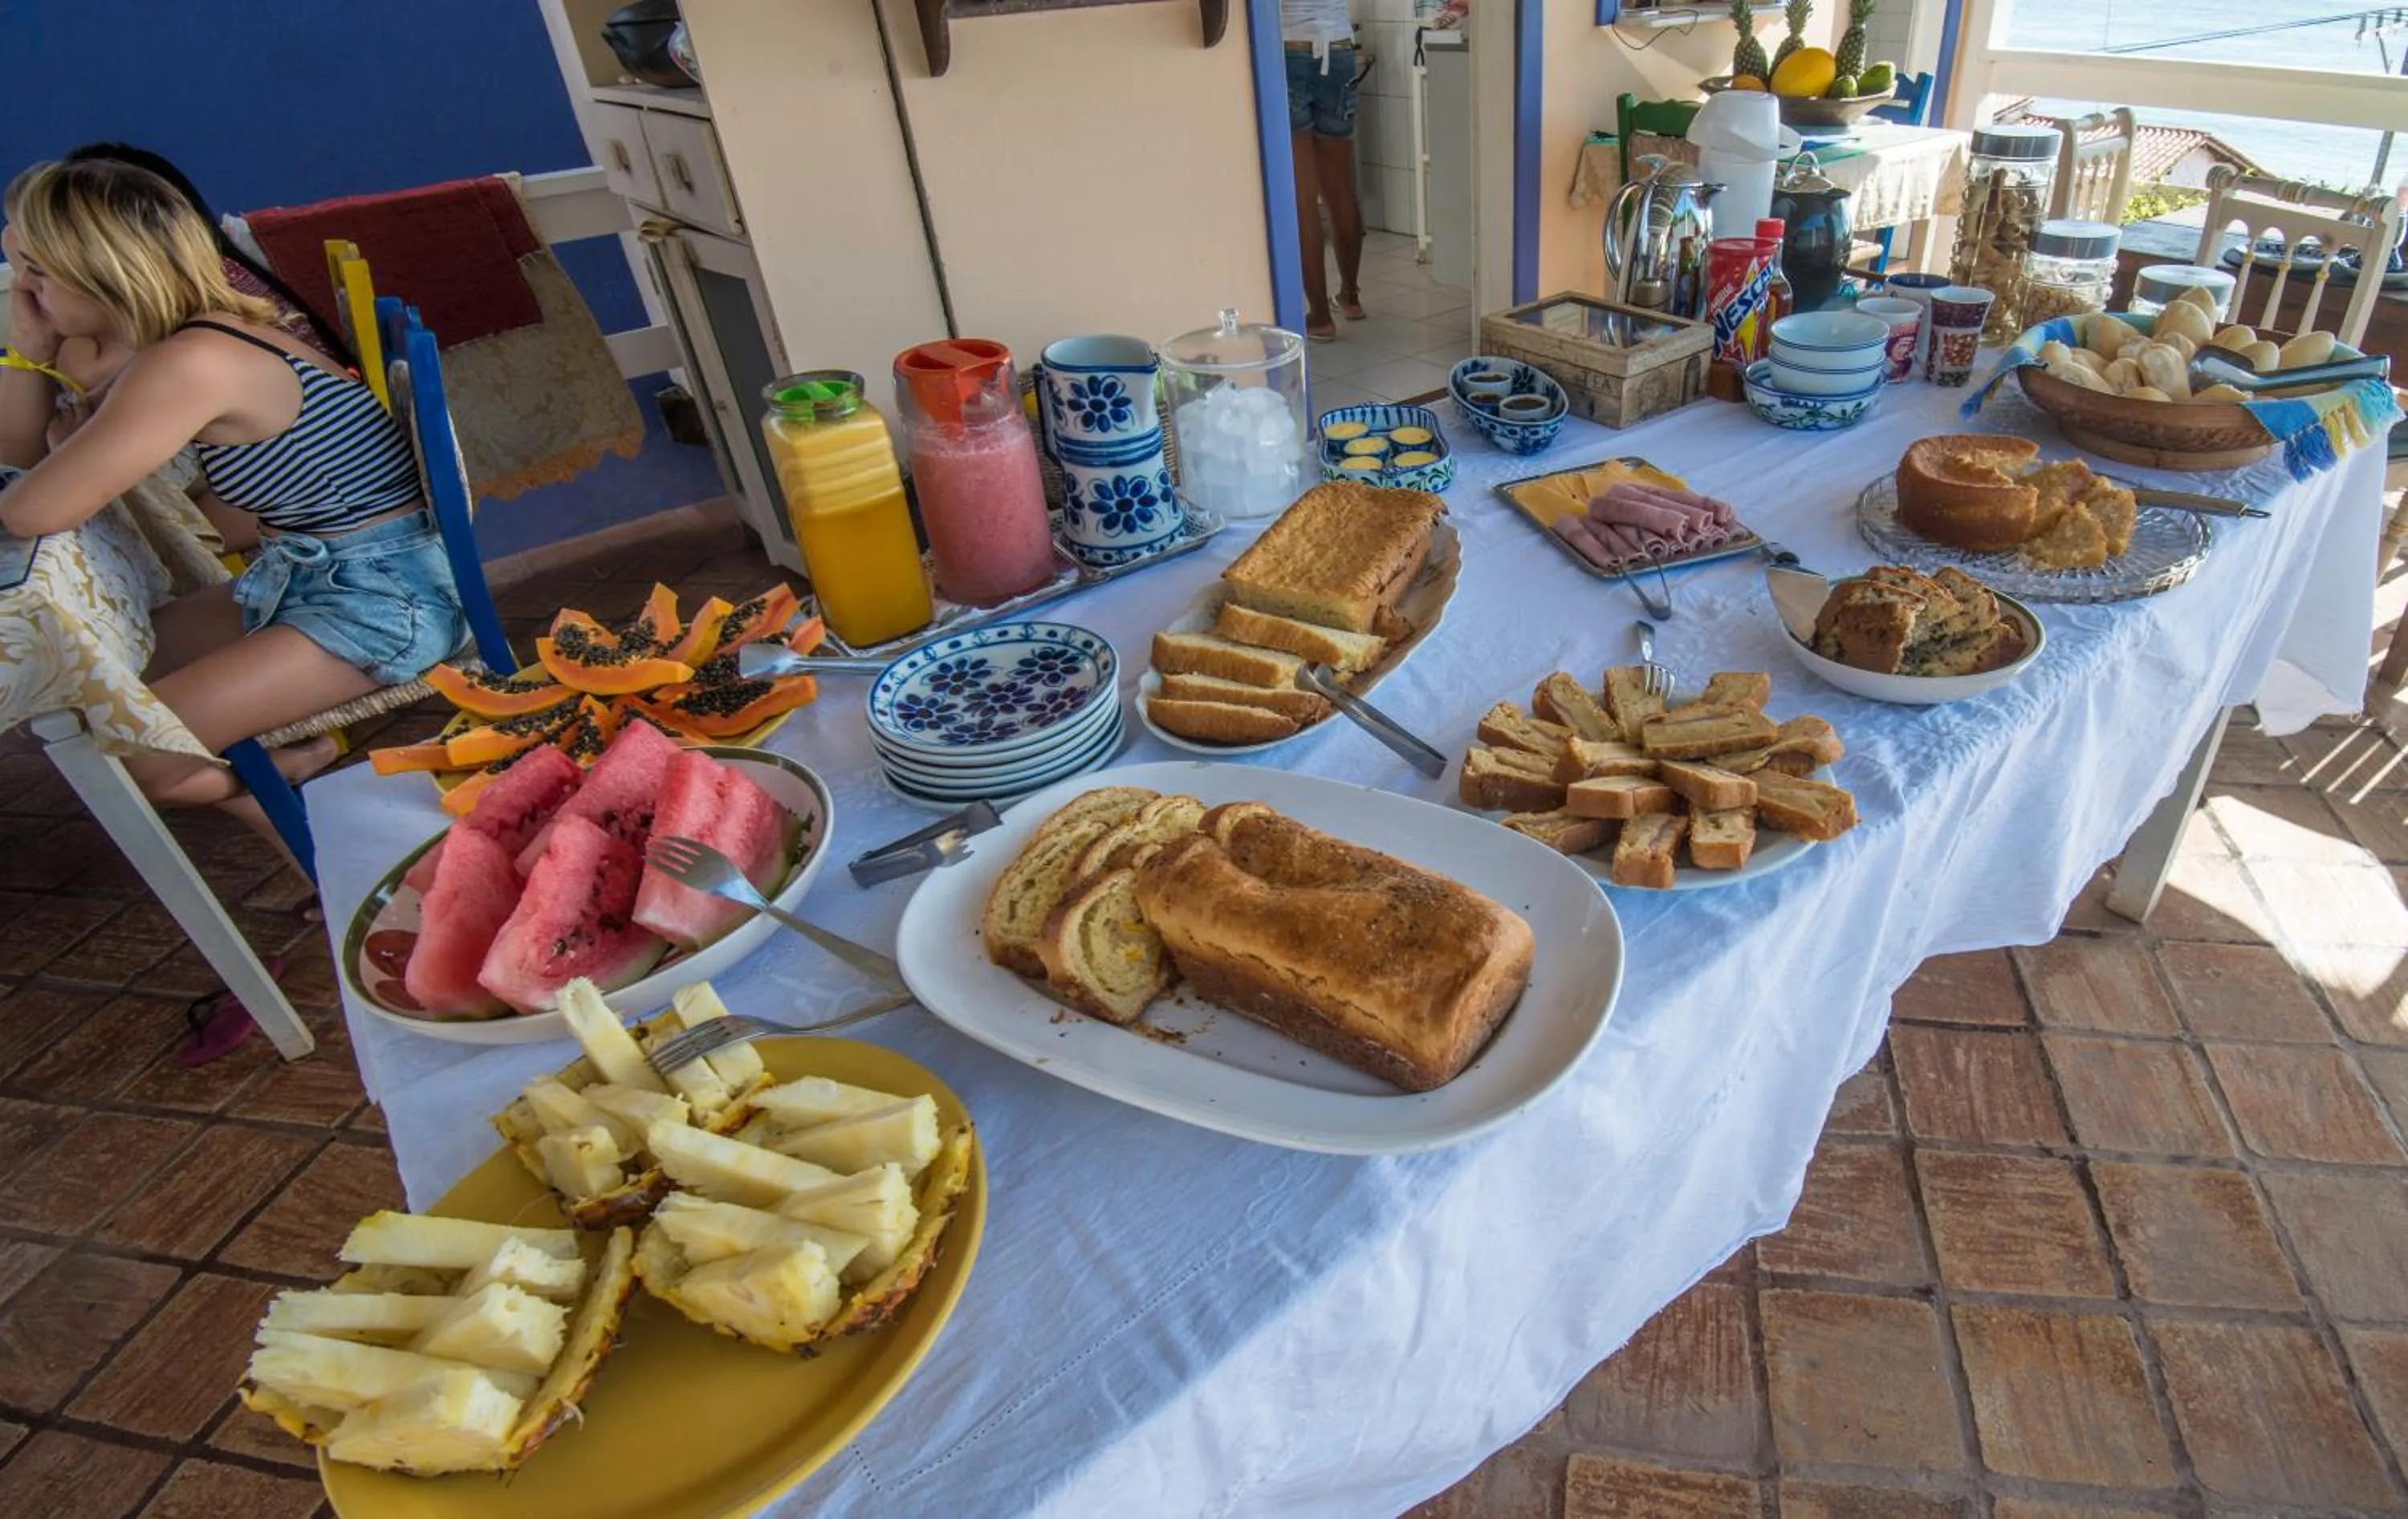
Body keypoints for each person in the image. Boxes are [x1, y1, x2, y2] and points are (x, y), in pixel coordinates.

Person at [0, 157, 465, 849]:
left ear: (102, 271)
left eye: (35, 271)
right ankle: (296, 805)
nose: (23, 292)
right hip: (318, 578)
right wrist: (35, 356)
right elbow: (28, 463)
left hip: (381, 603)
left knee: (137, 757)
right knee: (106, 681)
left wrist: (29, 358)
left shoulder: (191, 363)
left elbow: (27, 507)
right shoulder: (198, 335)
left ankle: (300, 802)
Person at [1283, 0, 1368, 342]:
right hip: (1338, 47)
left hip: (1288, 49)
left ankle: (1319, 316)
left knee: (1304, 199)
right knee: (1340, 189)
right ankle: (1350, 296)